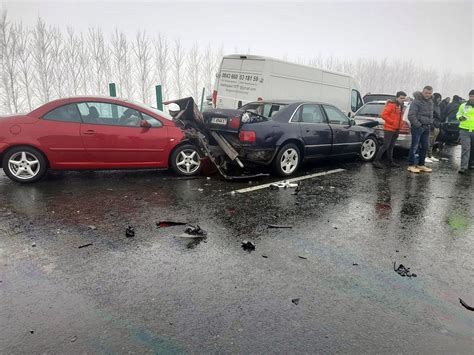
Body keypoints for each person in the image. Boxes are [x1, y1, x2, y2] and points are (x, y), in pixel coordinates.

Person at [373, 91, 407, 169]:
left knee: (391, 146)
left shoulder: (400, 106)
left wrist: (400, 125)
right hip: (389, 129)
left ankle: (390, 161)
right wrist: (392, 122)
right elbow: (383, 115)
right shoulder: (392, 105)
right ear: (397, 97)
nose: (402, 100)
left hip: (396, 129)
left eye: (404, 98)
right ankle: (376, 161)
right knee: (385, 145)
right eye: (401, 98)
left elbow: (400, 118)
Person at [407, 86, 434, 173]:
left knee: (425, 146)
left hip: (427, 127)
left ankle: (421, 164)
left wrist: (430, 122)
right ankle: (411, 165)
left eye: (429, 93)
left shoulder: (430, 102)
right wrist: (418, 125)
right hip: (417, 127)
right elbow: (411, 115)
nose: (427, 95)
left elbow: (430, 114)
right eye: (426, 93)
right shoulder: (416, 101)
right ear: (422, 92)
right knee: (414, 146)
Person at [456, 89, 474, 174]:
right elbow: (458, 114)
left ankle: (471, 164)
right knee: (466, 149)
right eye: (471, 96)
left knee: (472, 149)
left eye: (473, 96)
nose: (472, 98)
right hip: (464, 130)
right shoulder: (463, 105)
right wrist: (460, 117)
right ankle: (463, 167)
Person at [426, 93, 442, 163]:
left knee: (432, 142)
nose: (440, 100)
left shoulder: (437, 106)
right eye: (439, 98)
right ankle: (425, 156)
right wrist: (431, 124)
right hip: (432, 125)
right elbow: (430, 115)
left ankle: (430, 155)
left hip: (437, 125)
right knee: (428, 141)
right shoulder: (431, 105)